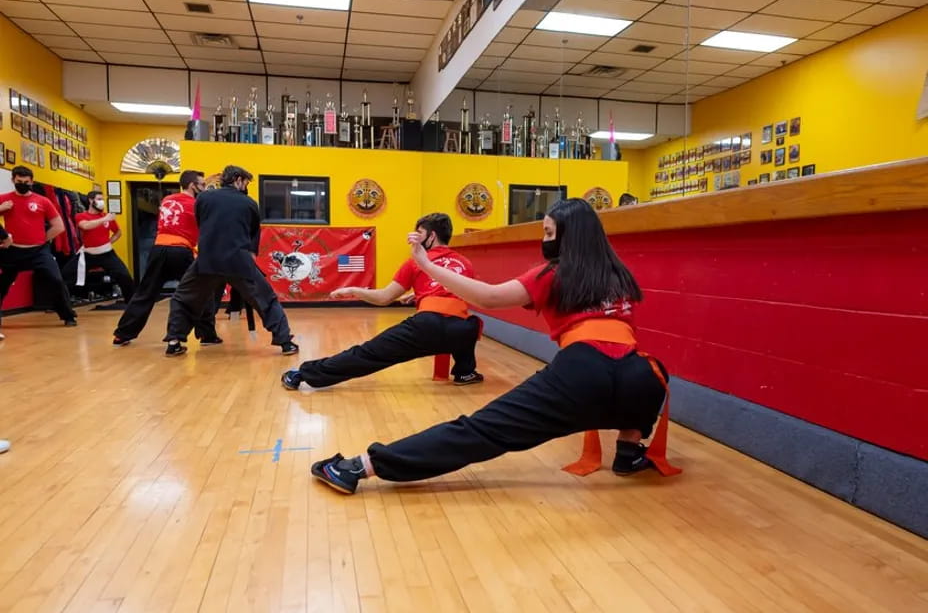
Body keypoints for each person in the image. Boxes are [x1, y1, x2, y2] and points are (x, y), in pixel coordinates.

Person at [310, 198, 669, 495]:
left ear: (568, 237)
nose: (544, 239)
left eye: (548, 232)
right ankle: (629, 451)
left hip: (581, 371)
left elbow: (490, 297)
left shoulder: (552, 273)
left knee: (480, 431)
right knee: (653, 376)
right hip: (640, 374)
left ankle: (359, 467)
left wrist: (424, 264)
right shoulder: (620, 274)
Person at [281, 212, 483, 390]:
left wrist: (353, 290)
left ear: (431, 236)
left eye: (419, 234)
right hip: (461, 331)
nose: (415, 239)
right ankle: (465, 372)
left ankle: (303, 374)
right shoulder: (466, 262)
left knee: (367, 354)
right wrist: (422, 296)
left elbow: (384, 298)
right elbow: (462, 293)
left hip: (426, 327)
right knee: (469, 323)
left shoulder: (415, 262)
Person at [163, 164, 298, 356]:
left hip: (207, 261)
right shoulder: (249, 203)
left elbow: (202, 224)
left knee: (183, 299)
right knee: (266, 300)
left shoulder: (203, 198)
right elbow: (252, 234)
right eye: (246, 182)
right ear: (238, 180)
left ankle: (174, 341)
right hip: (239, 261)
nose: (246, 186)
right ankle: (286, 343)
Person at [113, 170, 218, 346]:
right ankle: (207, 335)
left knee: (145, 293)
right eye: (202, 185)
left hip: (158, 249)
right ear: (193, 186)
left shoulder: (167, 200)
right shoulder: (197, 204)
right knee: (201, 290)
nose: (204, 188)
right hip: (180, 251)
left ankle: (123, 334)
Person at [0, 166, 78, 330]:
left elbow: (59, 226)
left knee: (55, 280)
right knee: (2, 285)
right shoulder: (4, 199)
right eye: (19, 181)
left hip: (38, 251)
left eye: (26, 182)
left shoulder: (43, 201)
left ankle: (68, 315)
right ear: (13, 180)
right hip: (12, 250)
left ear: (32, 182)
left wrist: (42, 240)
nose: (22, 184)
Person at [62, 189, 136, 303]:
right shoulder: (81, 216)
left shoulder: (106, 217)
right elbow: (85, 226)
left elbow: (118, 232)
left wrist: (108, 242)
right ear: (91, 200)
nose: (102, 202)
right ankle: (61, 303)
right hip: (87, 254)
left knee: (124, 275)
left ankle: (131, 301)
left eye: (103, 199)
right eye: (99, 199)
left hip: (107, 254)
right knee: (66, 274)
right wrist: (104, 219)